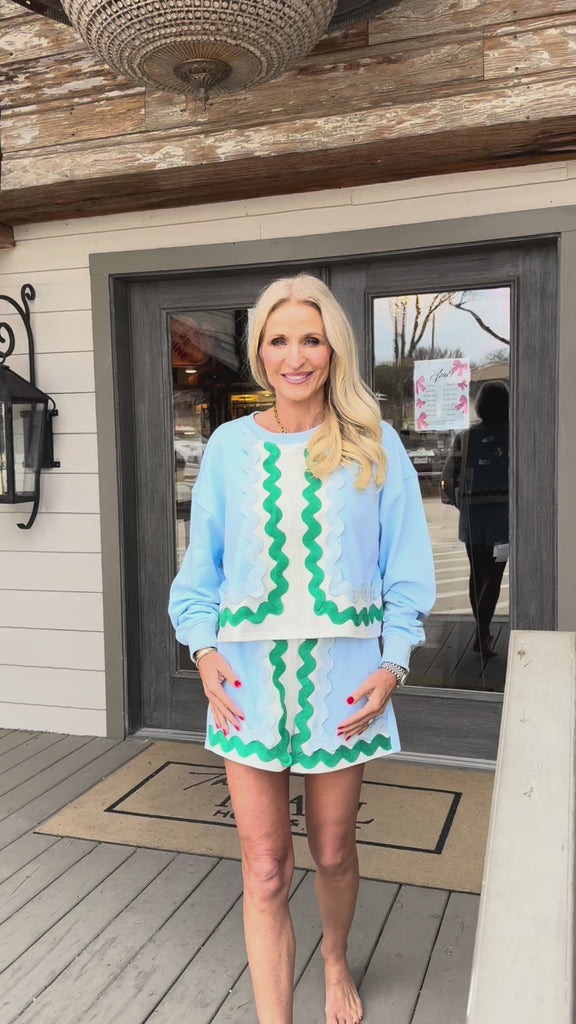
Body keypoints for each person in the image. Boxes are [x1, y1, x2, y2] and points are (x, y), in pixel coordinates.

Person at [169, 275, 435, 1024]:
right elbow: (201, 569)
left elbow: (406, 568)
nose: (295, 356)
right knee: (263, 868)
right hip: (246, 680)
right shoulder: (228, 447)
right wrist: (203, 650)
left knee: (334, 849)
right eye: (279, 339)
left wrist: (393, 662)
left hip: (343, 679)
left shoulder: (373, 443)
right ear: (260, 351)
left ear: (332, 349)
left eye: (310, 339)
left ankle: (334, 958)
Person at [443, 380, 509, 659]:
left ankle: (482, 633)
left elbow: (449, 475)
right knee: (494, 576)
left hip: (474, 516)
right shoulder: (513, 434)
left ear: (480, 405)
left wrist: (460, 503)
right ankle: (482, 633)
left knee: (477, 574)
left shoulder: (466, 437)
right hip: (504, 519)